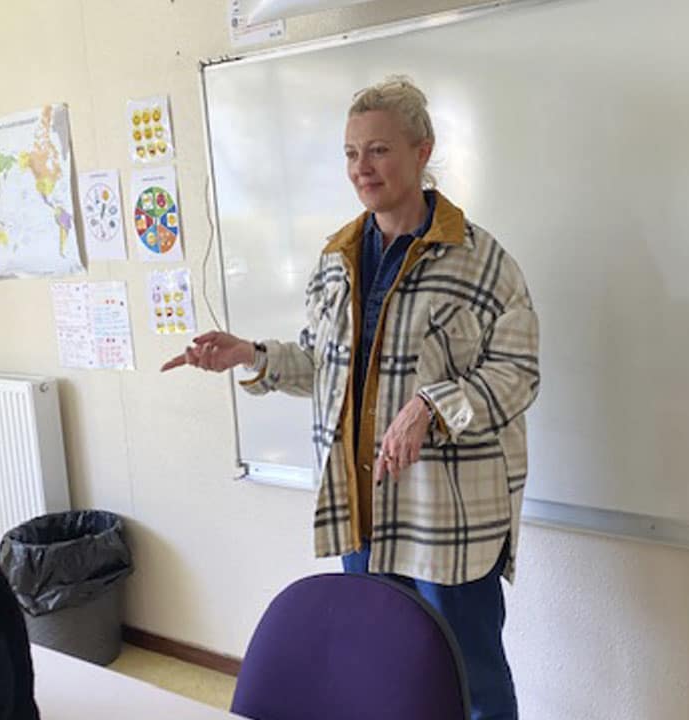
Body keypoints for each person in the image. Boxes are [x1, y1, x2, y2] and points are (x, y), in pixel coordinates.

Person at [163, 75, 539, 719]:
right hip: (361, 513)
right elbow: (323, 368)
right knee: (385, 675)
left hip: (449, 523)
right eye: (350, 152)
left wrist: (430, 406)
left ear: (423, 152)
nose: (361, 168)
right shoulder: (336, 257)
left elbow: (517, 372)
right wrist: (250, 355)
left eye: (379, 150)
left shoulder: (481, 260)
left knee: (471, 681)